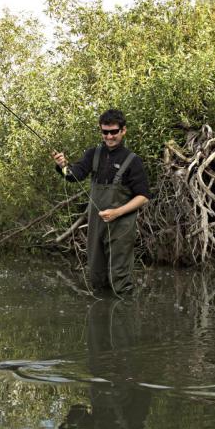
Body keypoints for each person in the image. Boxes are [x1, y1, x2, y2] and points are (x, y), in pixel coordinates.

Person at [52, 109, 149, 294]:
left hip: (121, 225)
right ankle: (102, 317)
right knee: (97, 274)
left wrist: (116, 212)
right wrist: (62, 165)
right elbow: (74, 176)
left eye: (114, 131)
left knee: (120, 278)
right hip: (97, 224)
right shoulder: (93, 154)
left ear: (123, 131)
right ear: (101, 131)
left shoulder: (132, 160)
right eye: (105, 132)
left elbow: (143, 196)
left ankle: (123, 316)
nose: (109, 136)